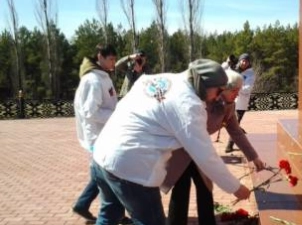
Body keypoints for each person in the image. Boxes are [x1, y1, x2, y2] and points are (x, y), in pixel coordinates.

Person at [91, 59, 251, 225]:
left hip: (102, 155)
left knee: (109, 215)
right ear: (205, 85)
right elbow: (206, 156)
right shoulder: (189, 106)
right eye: (218, 91)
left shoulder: (162, 79)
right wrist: (235, 187)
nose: (218, 97)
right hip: (130, 168)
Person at [162, 69, 266, 225]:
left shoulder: (229, 106)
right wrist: (234, 187)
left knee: (205, 188)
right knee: (181, 189)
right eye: (235, 90)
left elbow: (236, 132)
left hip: (200, 148)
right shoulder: (202, 100)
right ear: (223, 88)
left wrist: (254, 156)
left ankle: (207, 221)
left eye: (239, 90)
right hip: (182, 148)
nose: (237, 94)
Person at [72, 44, 118, 223]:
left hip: (104, 132)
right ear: (100, 56)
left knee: (104, 174)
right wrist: (116, 114)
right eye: (111, 59)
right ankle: (110, 214)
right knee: (106, 174)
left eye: (115, 59)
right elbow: (90, 112)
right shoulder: (93, 80)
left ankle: (84, 205)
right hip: (97, 135)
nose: (114, 62)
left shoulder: (102, 77)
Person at [225, 53, 256, 153]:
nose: (244, 62)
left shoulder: (250, 74)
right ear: (239, 60)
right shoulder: (233, 68)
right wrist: (227, 62)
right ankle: (240, 131)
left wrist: (236, 86)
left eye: (246, 61)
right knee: (226, 122)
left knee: (235, 124)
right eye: (242, 60)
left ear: (249, 63)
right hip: (229, 100)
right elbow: (222, 72)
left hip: (241, 103)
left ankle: (229, 145)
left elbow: (247, 89)